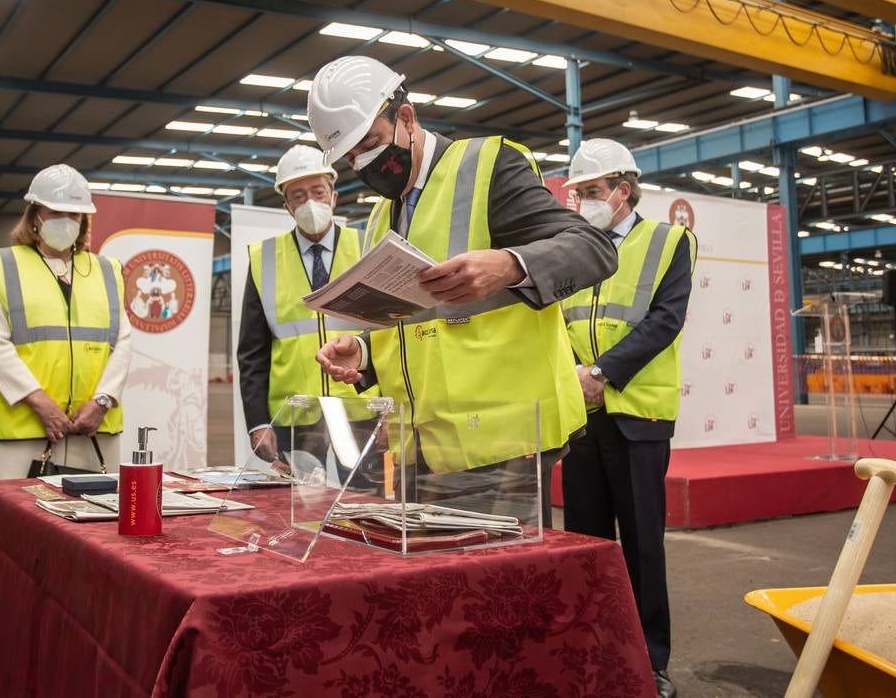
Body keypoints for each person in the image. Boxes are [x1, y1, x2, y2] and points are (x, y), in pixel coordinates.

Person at [308, 55, 617, 521]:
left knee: (499, 591)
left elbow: (593, 248)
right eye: (350, 157)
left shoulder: (487, 166)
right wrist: (365, 356)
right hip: (422, 450)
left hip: (502, 447)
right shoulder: (380, 216)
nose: (364, 163)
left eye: (370, 143)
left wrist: (511, 264)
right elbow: (417, 324)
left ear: (406, 118)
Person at [559, 138, 696, 698]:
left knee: (642, 545)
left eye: (593, 192)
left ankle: (649, 662)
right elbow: (552, 323)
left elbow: (665, 320)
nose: (584, 202)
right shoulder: (569, 248)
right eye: (578, 194)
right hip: (579, 418)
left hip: (636, 416)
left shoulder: (669, 242)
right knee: (584, 544)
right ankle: (591, 654)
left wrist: (600, 373)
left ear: (624, 189)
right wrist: (571, 376)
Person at [0, 164, 130, 479]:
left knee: (91, 521)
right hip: (20, 431)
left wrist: (102, 401)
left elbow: (122, 342)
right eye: (55, 212)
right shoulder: (5, 266)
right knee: (15, 523)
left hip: (91, 430)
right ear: (34, 216)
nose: (66, 222)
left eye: (74, 215)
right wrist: (39, 402)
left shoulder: (107, 270)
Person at [237, 145, 376, 472]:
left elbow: (387, 333)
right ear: (287, 206)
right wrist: (258, 422)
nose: (310, 203)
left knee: (361, 510)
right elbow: (252, 352)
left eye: (317, 192)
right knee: (298, 512)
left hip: (360, 410)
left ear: (334, 196)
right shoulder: (264, 259)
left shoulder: (367, 247)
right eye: (298, 196)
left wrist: (389, 407)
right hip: (294, 418)